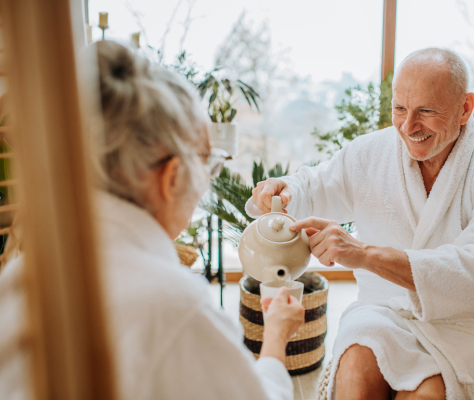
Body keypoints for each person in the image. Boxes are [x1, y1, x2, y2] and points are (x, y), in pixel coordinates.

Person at [0, 41, 303, 400]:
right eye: (209, 164)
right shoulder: (174, 308)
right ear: (172, 176)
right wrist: (276, 337)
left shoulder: (21, 275)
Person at [248, 48, 474, 400]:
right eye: (400, 108)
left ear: (465, 108)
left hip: (463, 326)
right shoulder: (371, 152)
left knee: (427, 394)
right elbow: (315, 184)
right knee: (354, 371)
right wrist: (285, 190)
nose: (408, 126)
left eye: (426, 112)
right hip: (379, 312)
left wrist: (364, 254)